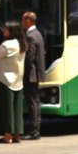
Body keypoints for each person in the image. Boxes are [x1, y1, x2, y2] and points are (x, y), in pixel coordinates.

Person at [0, 24, 27, 143]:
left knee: (6, 108)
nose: (4, 30)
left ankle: (7, 135)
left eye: (6, 29)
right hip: (18, 79)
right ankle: (17, 134)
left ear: (11, 32)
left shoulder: (7, 44)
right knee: (17, 108)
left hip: (5, 79)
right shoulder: (22, 44)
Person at [22, 11, 46, 140]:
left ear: (28, 21)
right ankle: (35, 129)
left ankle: (33, 131)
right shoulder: (38, 34)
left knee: (32, 102)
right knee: (35, 101)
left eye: (23, 20)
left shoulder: (31, 36)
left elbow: (29, 58)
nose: (22, 23)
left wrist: (23, 71)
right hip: (36, 74)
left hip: (31, 74)